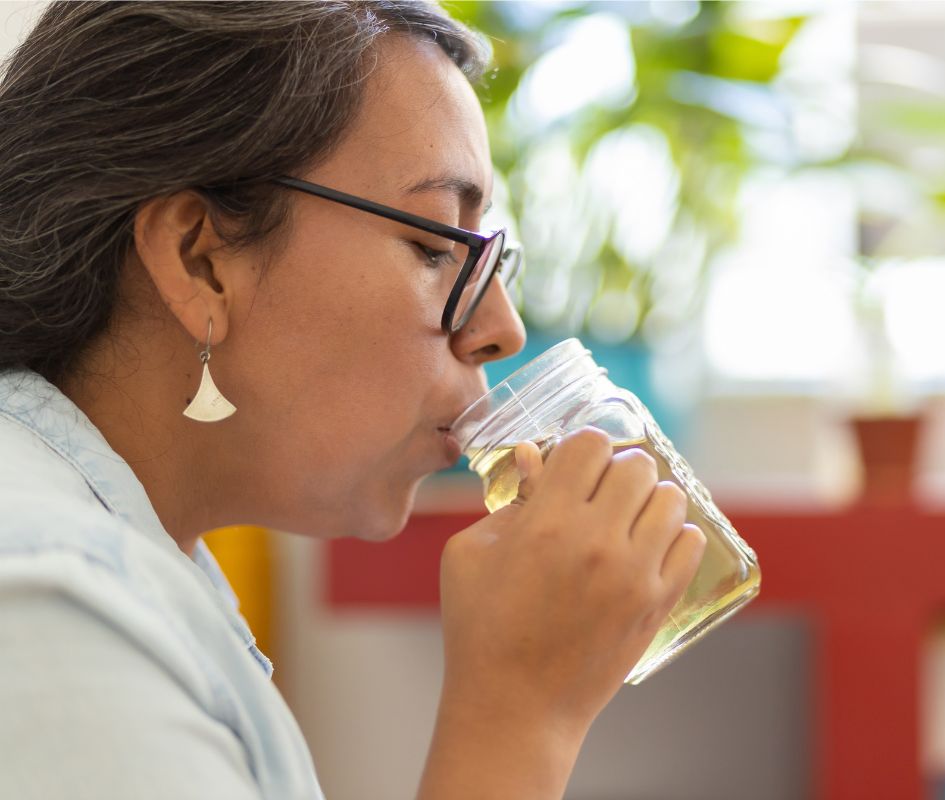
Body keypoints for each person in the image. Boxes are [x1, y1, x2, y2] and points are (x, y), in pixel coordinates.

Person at [0, 2, 706, 798]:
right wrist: (518, 716)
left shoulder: (125, 564)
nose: (503, 329)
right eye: (436, 244)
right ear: (200, 260)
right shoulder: (52, 611)